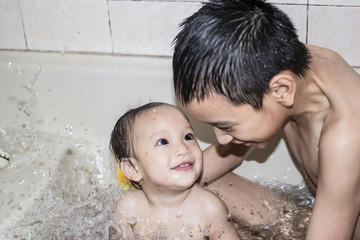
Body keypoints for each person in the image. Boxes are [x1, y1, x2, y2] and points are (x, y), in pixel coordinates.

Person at [172, 0, 360, 239]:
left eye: (226, 126)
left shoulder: (347, 132)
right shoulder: (280, 66)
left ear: (282, 91)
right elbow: (200, 173)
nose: (221, 138)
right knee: (180, 188)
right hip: (325, 216)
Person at [109, 102, 239, 239]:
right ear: (133, 169)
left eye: (188, 137)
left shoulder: (209, 208)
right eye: (163, 142)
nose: (183, 149)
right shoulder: (130, 206)